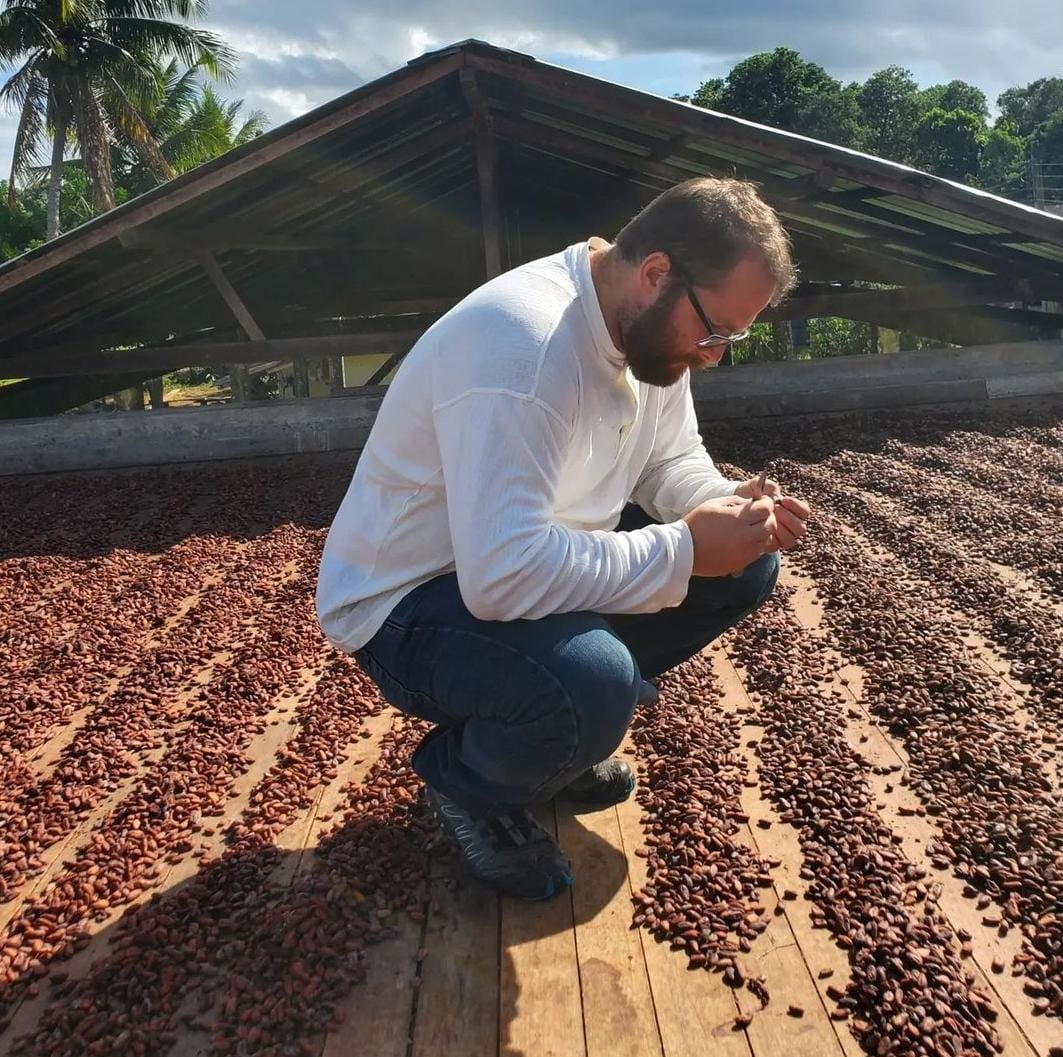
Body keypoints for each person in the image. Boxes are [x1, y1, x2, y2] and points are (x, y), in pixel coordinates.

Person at [316, 177, 811, 901]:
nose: (715, 354)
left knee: (741, 567)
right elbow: (501, 575)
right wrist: (683, 550)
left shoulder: (647, 334)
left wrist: (724, 507)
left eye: (730, 337)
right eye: (714, 331)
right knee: (592, 682)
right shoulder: (520, 350)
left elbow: (666, 459)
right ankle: (470, 780)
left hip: (517, 564)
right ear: (654, 274)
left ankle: (552, 729)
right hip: (410, 604)